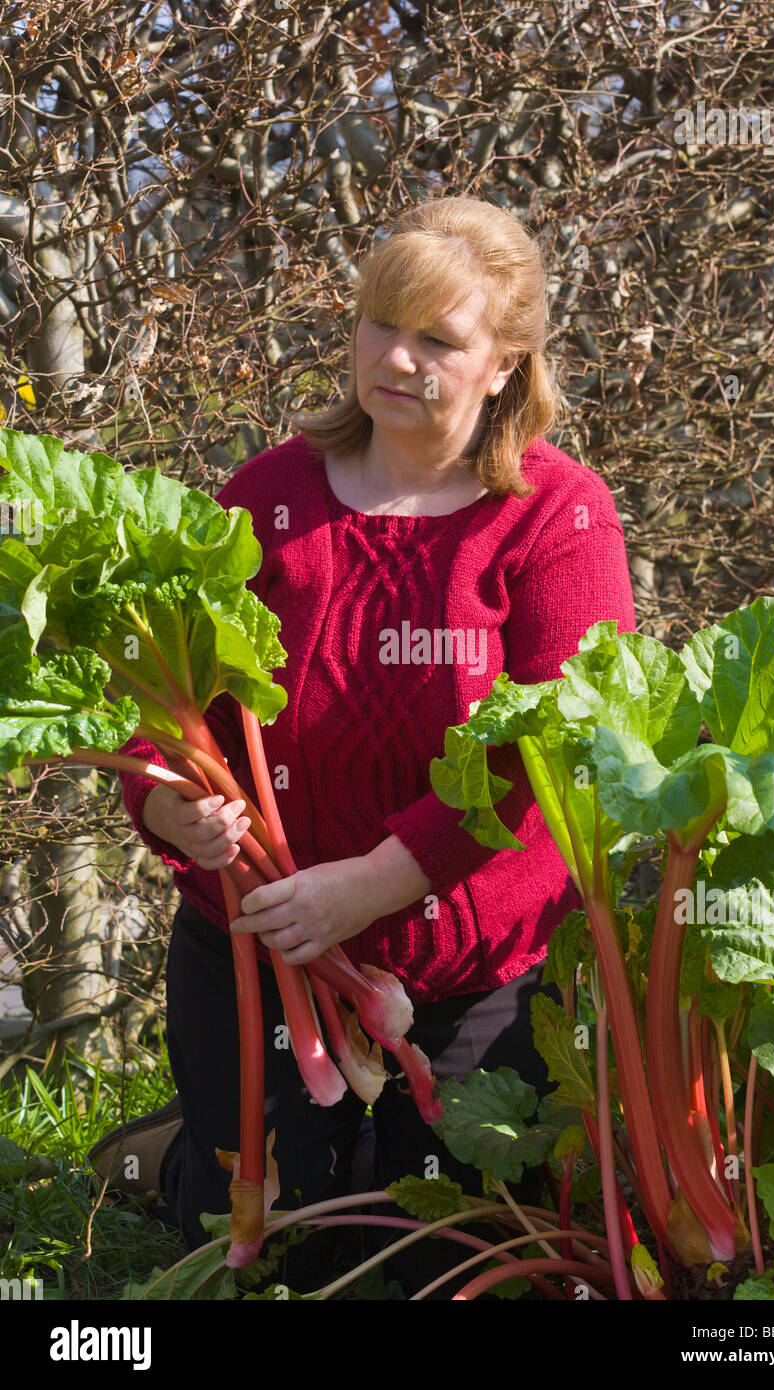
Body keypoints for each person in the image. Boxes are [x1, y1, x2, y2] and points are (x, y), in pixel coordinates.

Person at [90, 194, 637, 1296]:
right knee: (268, 1246)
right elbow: (159, 709)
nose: (394, 357)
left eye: (436, 338)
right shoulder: (265, 497)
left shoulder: (555, 516)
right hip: (261, 957)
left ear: (503, 365)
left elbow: (548, 750)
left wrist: (376, 883)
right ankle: (185, 1156)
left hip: (469, 973)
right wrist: (168, 810)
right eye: (378, 323)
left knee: (445, 1263)